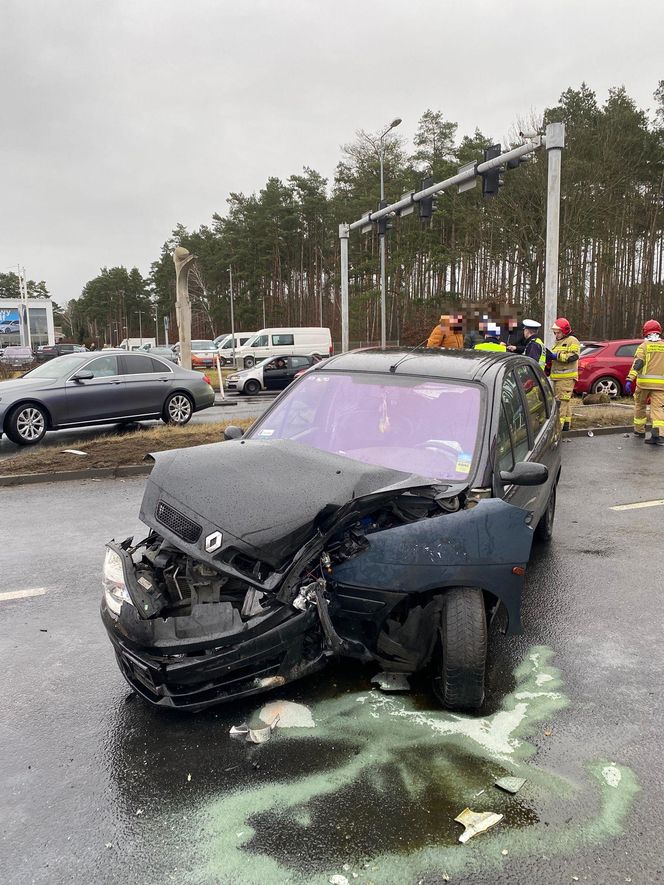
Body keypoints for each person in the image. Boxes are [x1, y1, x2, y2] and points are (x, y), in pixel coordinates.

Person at [625, 319, 664, 446]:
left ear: (645, 332)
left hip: (643, 384)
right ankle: (658, 435)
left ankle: (639, 430)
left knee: (640, 405)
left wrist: (630, 379)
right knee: (658, 409)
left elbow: (638, 363)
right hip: (660, 385)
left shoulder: (643, 346)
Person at [550, 317, 580, 431]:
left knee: (561, 403)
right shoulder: (559, 341)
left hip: (566, 378)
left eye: (558, 332)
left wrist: (556, 356)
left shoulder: (572, 340)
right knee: (565, 402)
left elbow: (574, 356)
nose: (556, 335)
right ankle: (566, 425)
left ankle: (558, 429)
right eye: (555, 333)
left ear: (565, 331)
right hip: (559, 378)